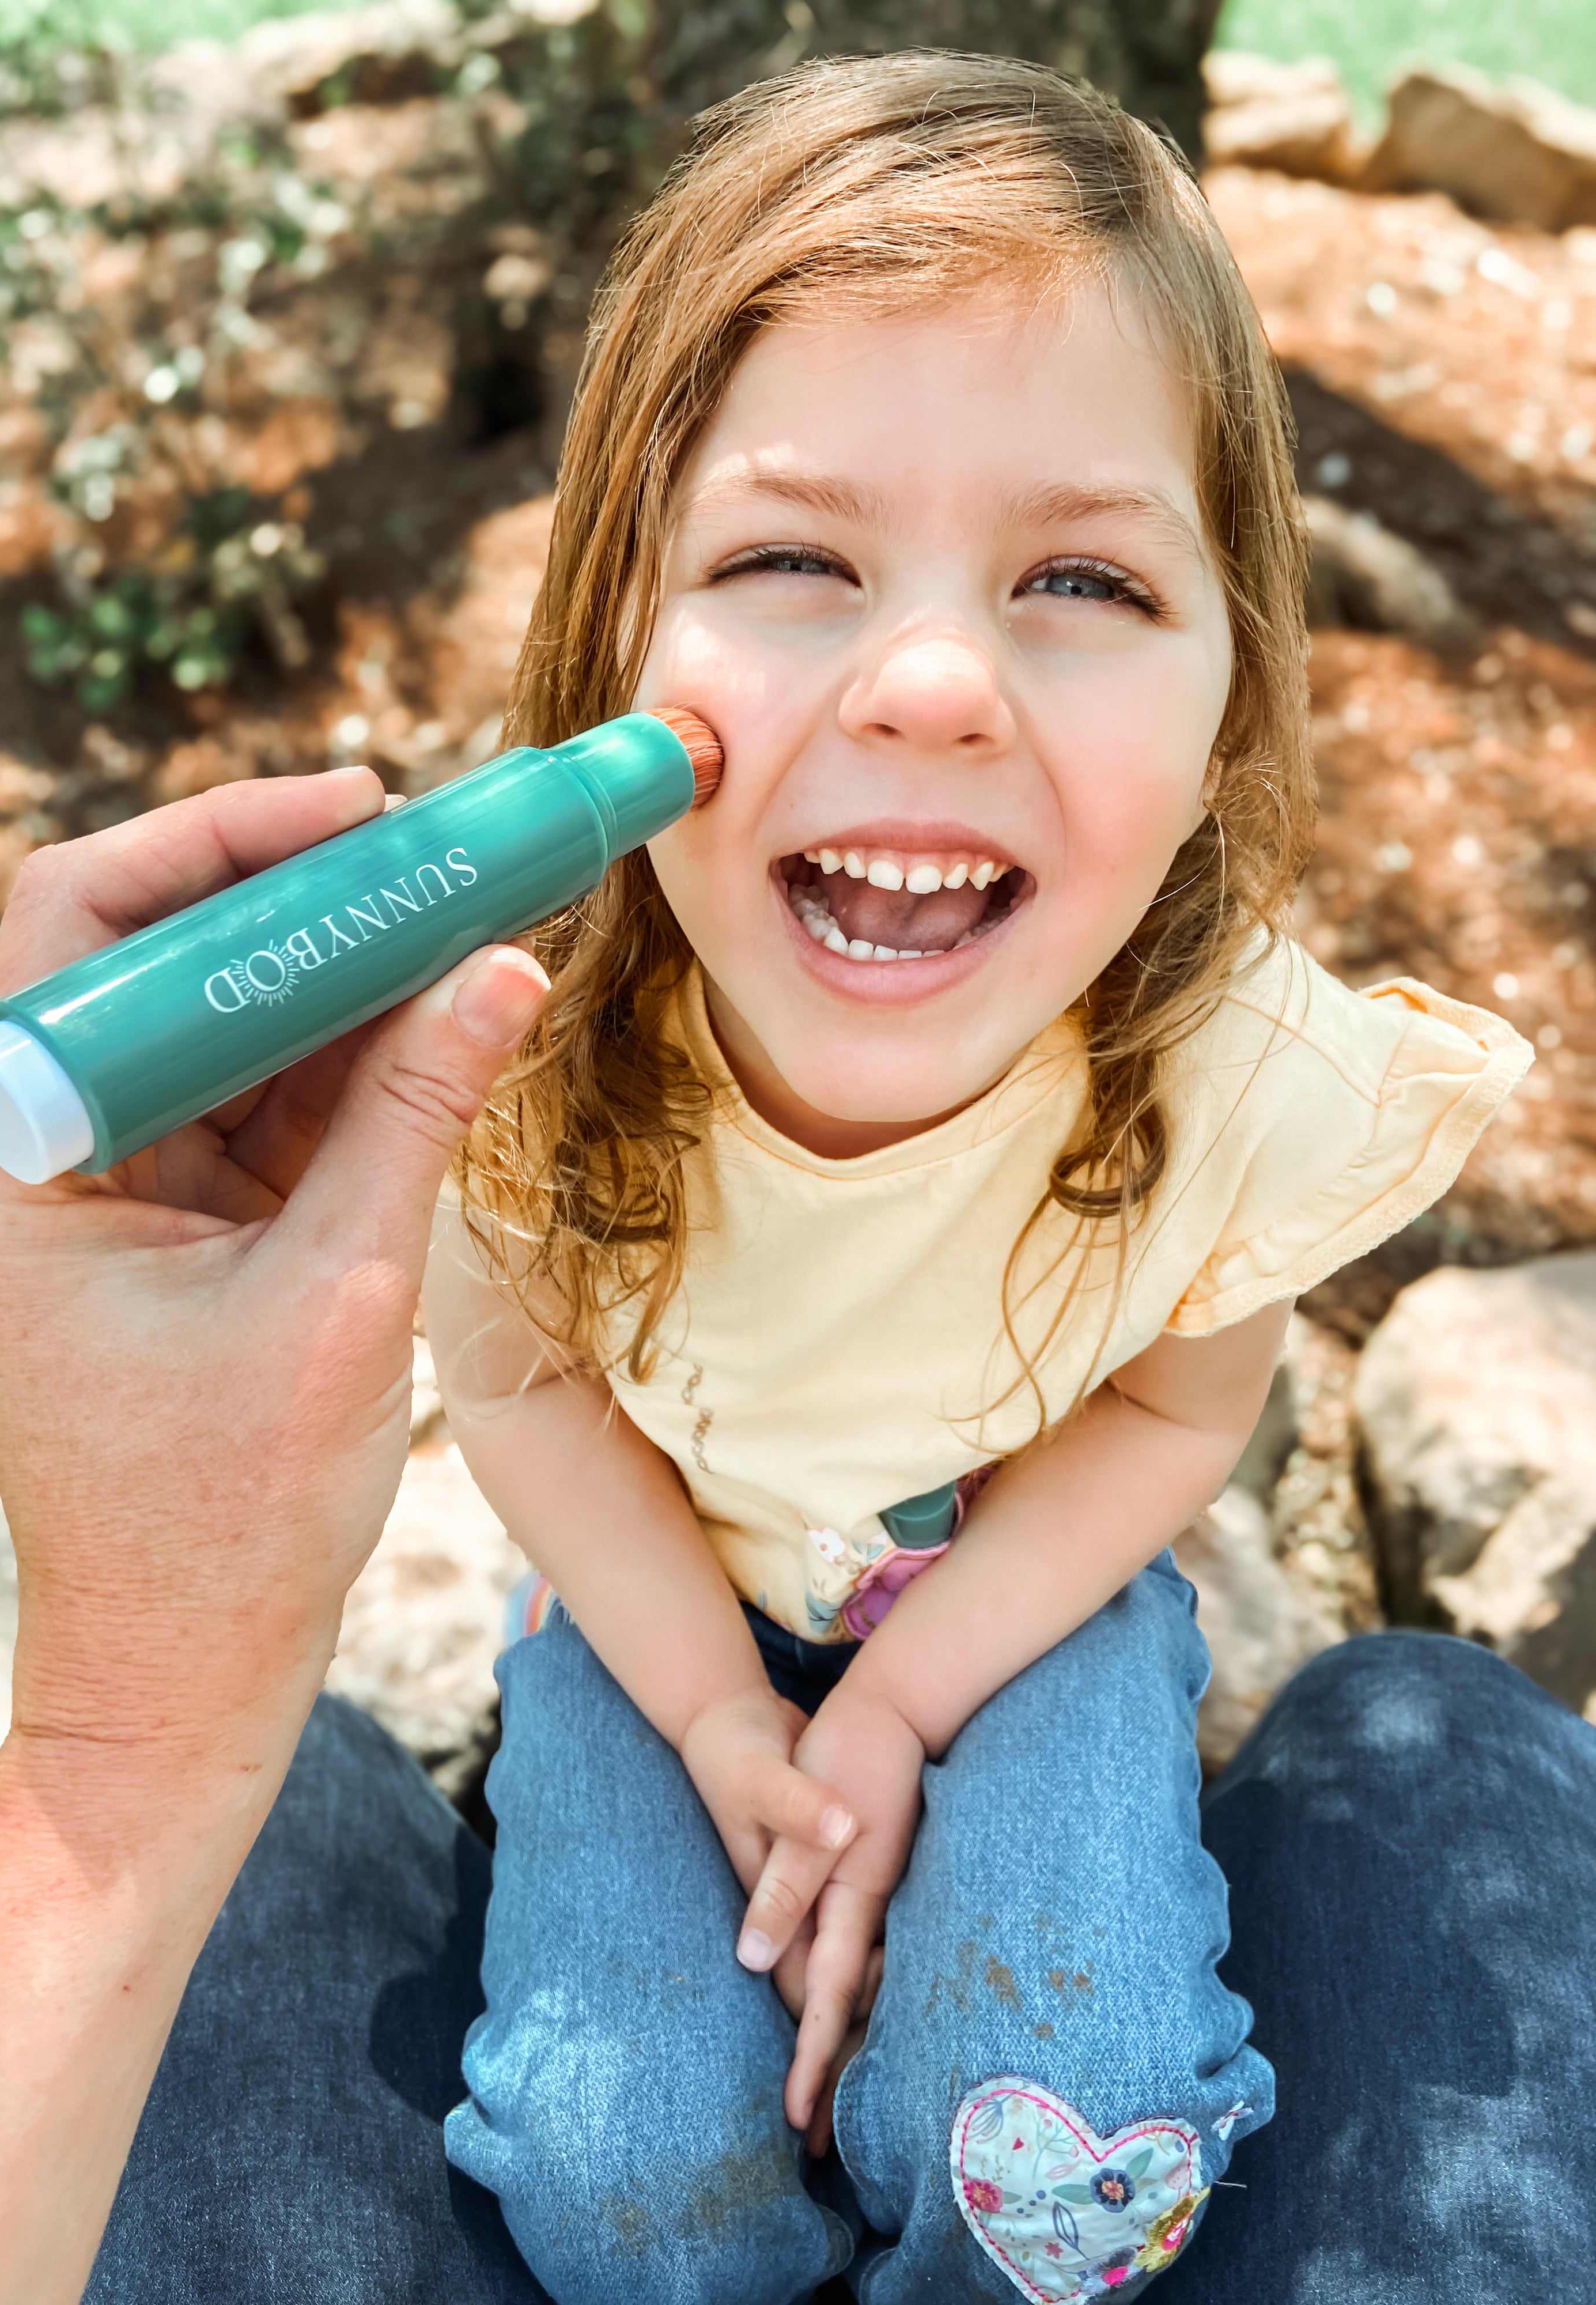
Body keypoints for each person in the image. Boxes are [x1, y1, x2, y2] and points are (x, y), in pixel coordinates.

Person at [415, 53, 1537, 2305]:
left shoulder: (1227, 1079)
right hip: (657, 1606)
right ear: (615, 635)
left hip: (1020, 1597)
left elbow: (1165, 1410)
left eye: (1083, 577)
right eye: (791, 558)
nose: (930, 678)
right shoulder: (509, 1056)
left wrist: (915, 1704)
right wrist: (731, 1717)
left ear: (1232, 682)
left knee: (1054, 2162)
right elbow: (530, 1394)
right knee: (635, 2197)